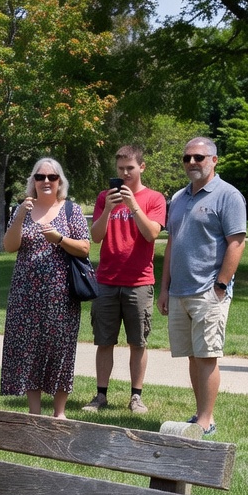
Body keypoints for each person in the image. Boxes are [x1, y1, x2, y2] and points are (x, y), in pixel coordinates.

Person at [158, 137, 247, 438]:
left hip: (209, 290)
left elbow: (236, 243)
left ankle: (206, 421)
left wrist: (220, 285)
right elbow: (172, 242)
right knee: (193, 356)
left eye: (199, 157)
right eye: (187, 158)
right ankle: (199, 414)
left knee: (207, 355)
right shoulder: (179, 197)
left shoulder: (228, 196)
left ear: (214, 160)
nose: (192, 162)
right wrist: (164, 287)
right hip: (180, 291)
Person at [1, 158, 91, 418]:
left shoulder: (71, 210)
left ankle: (59, 412)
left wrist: (59, 239)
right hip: (25, 294)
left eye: (52, 177)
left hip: (61, 295)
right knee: (30, 348)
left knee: (60, 348)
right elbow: (10, 246)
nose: (46, 181)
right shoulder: (23, 210)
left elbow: (85, 248)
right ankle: (34, 412)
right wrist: (19, 216)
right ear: (33, 181)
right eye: (40, 177)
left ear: (60, 181)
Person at [81, 144, 166, 415]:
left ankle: (136, 397)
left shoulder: (154, 198)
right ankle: (100, 395)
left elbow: (151, 234)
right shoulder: (105, 197)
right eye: (120, 169)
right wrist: (107, 208)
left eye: (130, 168)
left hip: (139, 281)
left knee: (137, 342)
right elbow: (96, 236)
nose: (125, 173)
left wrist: (132, 206)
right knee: (104, 340)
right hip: (106, 279)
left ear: (142, 167)